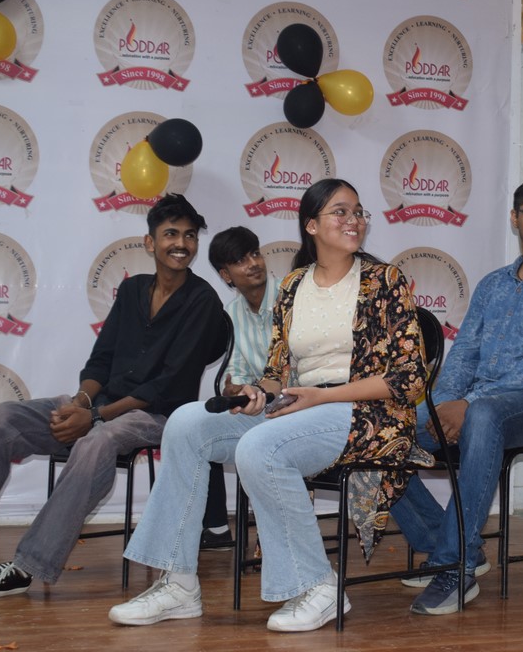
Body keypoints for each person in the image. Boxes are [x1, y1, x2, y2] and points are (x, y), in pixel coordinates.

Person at [108, 178, 428, 632]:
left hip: (366, 413)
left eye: (358, 211)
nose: (353, 220)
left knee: (261, 447)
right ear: (311, 225)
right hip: (300, 404)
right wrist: (260, 391)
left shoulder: (384, 280)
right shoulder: (294, 286)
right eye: (340, 211)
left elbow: (410, 377)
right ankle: (177, 584)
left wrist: (322, 395)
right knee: (185, 423)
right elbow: (278, 369)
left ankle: (318, 586)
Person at [0, 194, 224, 601]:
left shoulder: (202, 300)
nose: (181, 243)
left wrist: (96, 417)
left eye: (189, 236)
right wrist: (82, 403)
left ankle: (25, 567)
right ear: (149, 242)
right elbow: (101, 359)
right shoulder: (132, 289)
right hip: (103, 405)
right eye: (171, 234)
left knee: (97, 441)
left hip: (157, 415)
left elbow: (167, 385)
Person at [391, 177, 523, 615]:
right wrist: (444, 406)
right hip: (476, 405)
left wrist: (468, 406)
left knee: (484, 415)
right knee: (387, 430)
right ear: (515, 218)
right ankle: (444, 542)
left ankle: (456, 565)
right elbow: (464, 353)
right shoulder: (492, 284)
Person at [199, 227, 279, 552]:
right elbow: (239, 375)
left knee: (265, 437)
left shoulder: (294, 297)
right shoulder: (230, 315)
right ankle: (214, 527)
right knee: (198, 428)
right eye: (240, 260)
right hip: (262, 407)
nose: (253, 264)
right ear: (225, 275)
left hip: (304, 404)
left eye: (255, 254)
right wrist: (235, 388)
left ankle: (275, 535)